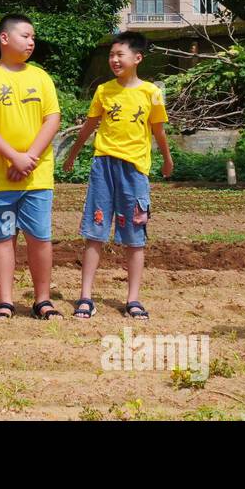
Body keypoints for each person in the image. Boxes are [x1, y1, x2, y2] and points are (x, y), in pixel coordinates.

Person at [62, 32, 172, 319]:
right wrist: (73, 153)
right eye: (111, 55)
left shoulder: (151, 93)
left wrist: (167, 159)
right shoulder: (104, 91)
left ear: (137, 58)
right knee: (94, 232)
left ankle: (133, 299)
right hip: (103, 166)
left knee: (135, 235)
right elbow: (89, 126)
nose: (114, 59)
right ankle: (85, 297)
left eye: (119, 54)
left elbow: (158, 130)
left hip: (134, 171)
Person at [0, 14, 64, 319]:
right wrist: (12, 157)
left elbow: (53, 119)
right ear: (4, 39)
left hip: (36, 176)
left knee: (39, 237)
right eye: (25, 36)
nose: (31, 42)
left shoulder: (41, 77)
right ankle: (5, 301)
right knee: (3, 238)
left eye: (33, 37)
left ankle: (42, 300)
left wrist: (28, 158)